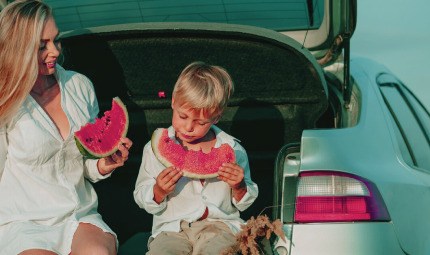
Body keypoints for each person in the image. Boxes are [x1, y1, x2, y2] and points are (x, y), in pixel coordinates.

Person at [0, 1, 132, 254]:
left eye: (56, 40)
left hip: (77, 212)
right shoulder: (5, 100)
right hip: (23, 220)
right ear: (18, 49)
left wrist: (104, 164)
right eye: (42, 46)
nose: (55, 51)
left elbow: (85, 161)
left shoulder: (79, 85)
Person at [133, 61, 259, 255]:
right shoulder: (153, 149)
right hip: (171, 229)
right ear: (173, 101)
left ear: (216, 117)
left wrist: (240, 186)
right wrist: (158, 191)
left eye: (200, 122)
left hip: (221, 227)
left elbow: (244, 202)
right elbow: (141, 195)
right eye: (183, 116)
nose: (189, 127)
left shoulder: (234, 149)